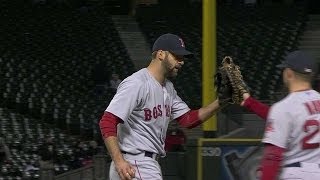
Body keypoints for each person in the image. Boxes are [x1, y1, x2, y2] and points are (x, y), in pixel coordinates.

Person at [99, 33, 224, 180]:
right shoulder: (137, 83)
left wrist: (221, 101)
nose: (181, 61)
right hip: (135, 162)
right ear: (160, 54)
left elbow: (188, 120)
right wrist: (119, 161)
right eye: (177, 56)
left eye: (182, 58)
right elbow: (107, 121)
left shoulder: (168, 88)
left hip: (143, 163)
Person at [240, 50, 320, 180]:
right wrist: (249, 102)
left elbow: (273, 156)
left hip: (295, 174)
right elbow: (286, 119)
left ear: (288, 73)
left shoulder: (284, 107)